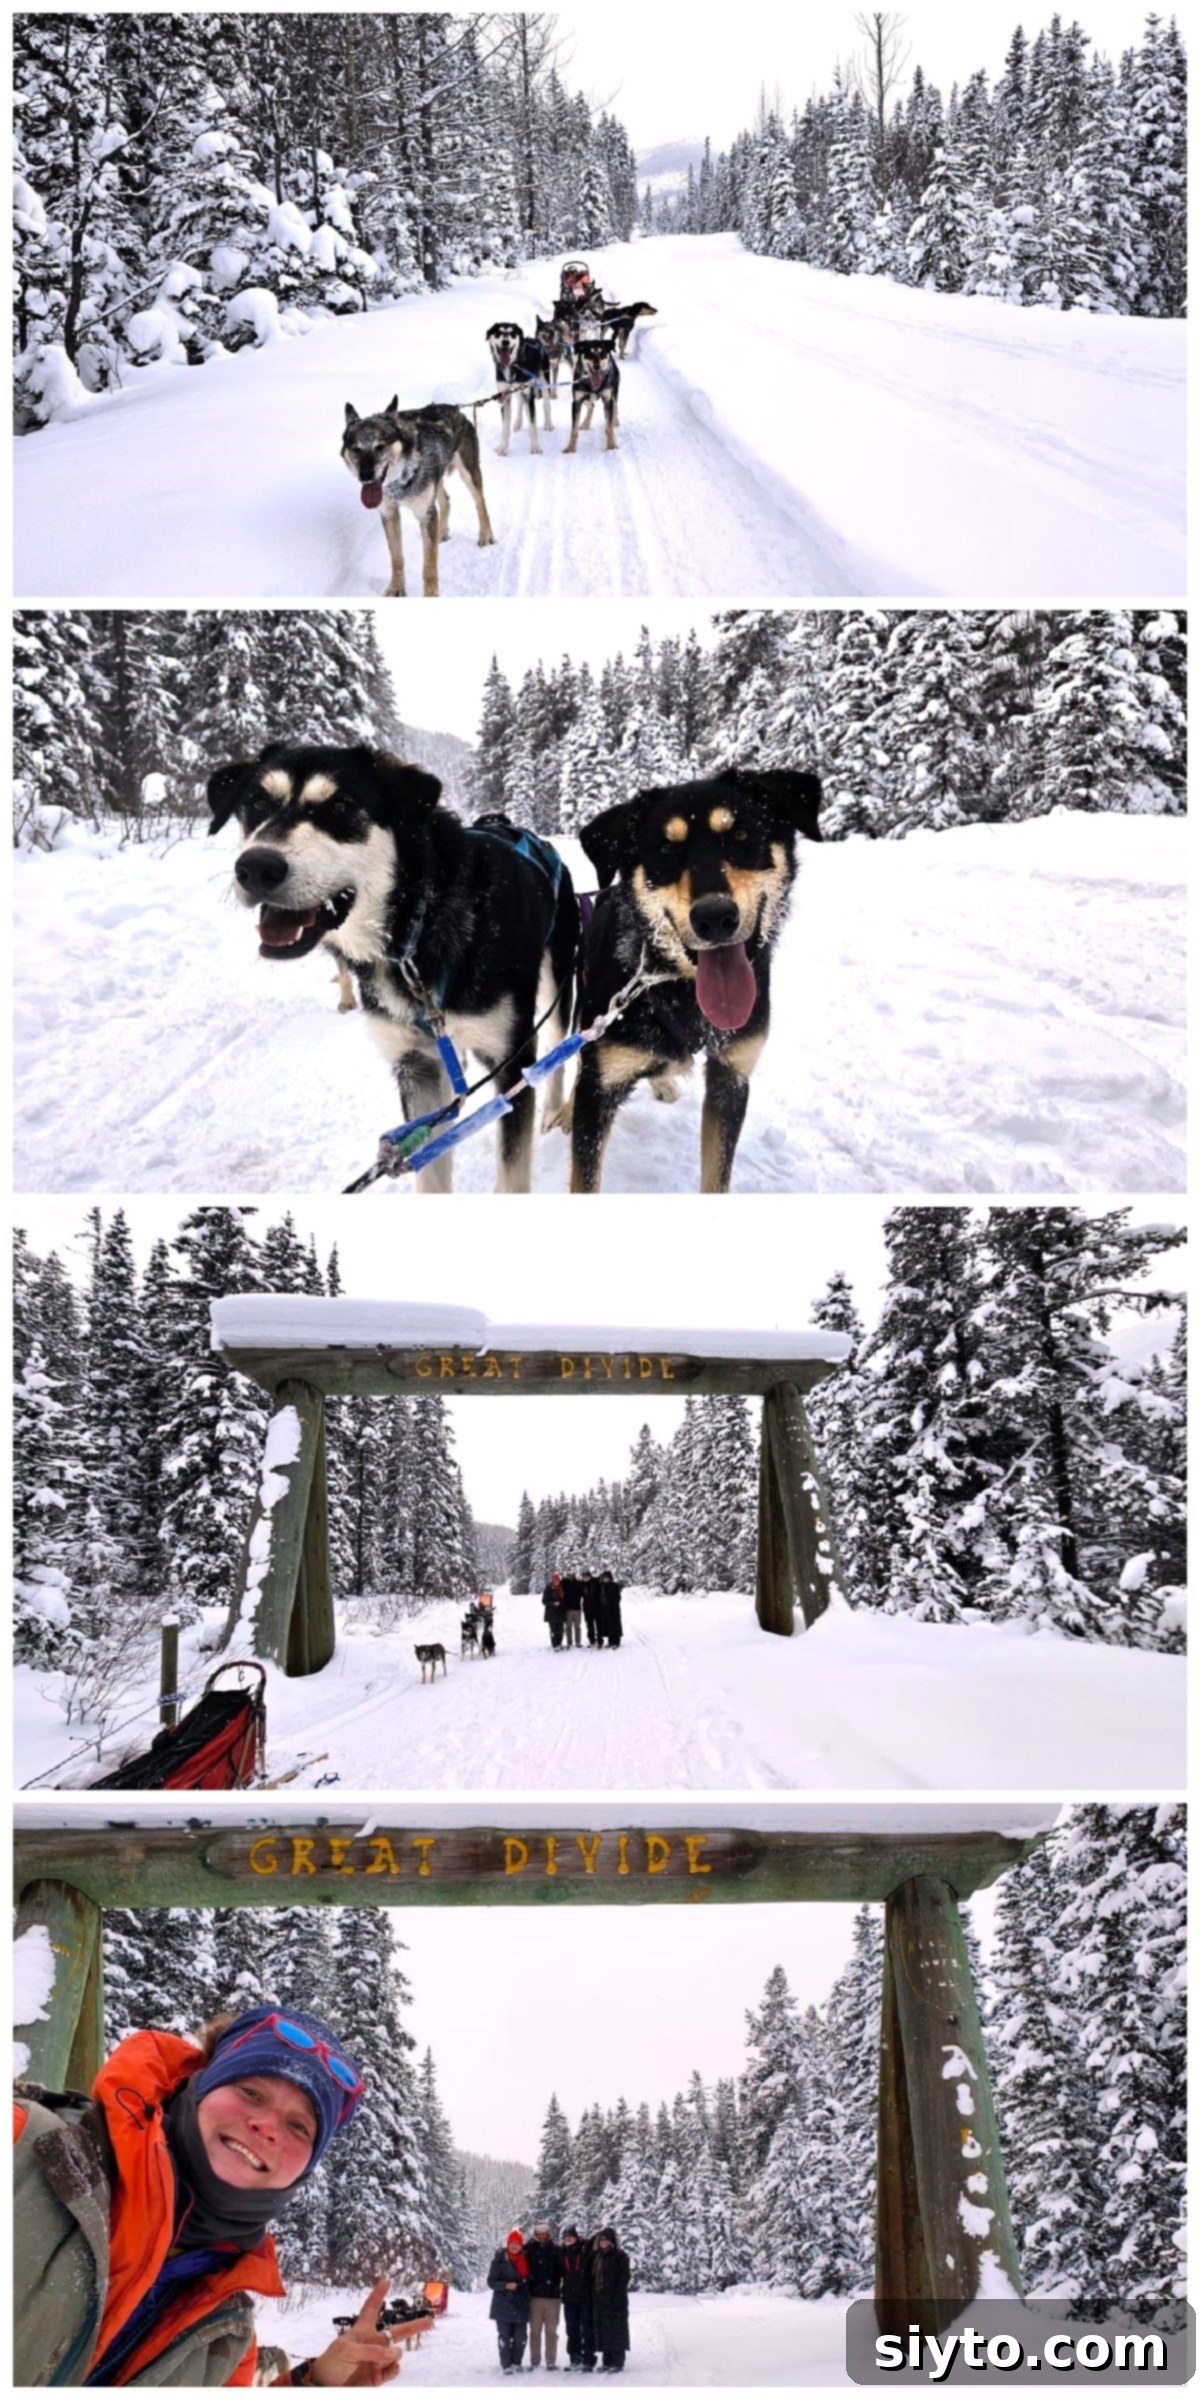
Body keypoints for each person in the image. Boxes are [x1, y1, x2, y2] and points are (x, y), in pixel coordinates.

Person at [14, 2001, 406, 2387]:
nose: (266, 2126)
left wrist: (314, 2385)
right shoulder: (22, 2149)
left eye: (299, 2126)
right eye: (252, 2092)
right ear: (200, 2087)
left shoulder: (226, 2331)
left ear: (303, 2171)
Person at [488, 2228, 531, 2374]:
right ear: (508, 2244)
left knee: (521, 2337)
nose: (514, 2246)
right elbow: (491, 2282)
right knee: (505, 2337)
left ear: (521, 2245)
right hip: (503, 2304)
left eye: (517, 2243)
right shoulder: (500, 2259)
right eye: (511, 2243)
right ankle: (506, 2365)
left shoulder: (526, 2258)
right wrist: (505, 2285)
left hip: (521, 2303)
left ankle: (516, 2362)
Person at [524, 2221, 563, 2369]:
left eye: (544, 2234)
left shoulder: (556, 2250)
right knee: (534, 2331)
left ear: (548, 2234)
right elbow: (514, 2253)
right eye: (538, 2234)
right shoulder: (529, 2249)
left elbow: (565, 2269)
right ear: (535, 2235)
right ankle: (535, 2360)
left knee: (551, 2332)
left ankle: (551, 2361)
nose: (541, 2236)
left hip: (553, 2297)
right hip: (534, 2297)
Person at [592, 2228, 630, 2374]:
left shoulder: (620, 2256)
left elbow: (624, 2277)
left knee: (617, 2331)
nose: (603, 2243)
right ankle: (607, 2361)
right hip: (600, 2299)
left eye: (606, 2240)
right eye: (601, 2240)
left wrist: (617, 2296)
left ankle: (618, 2362)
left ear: (612, 2241)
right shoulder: (598, 2256)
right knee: (604, 2331)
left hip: (616, 2299)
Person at [559, 2226, 595, 2374]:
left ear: (576, 2237)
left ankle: (588, 2359)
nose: (568, 2239)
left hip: (585, 2296)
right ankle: (575, 2358)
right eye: (565, 2237)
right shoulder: (561, 2253)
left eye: (571, 2237)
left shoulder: (585, 2250)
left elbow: (597, 2240)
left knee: (586, 2329)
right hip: (569, 2298)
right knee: (572, 2329)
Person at [597, 1572, 624, 1651]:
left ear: (609, 1578)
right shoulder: (602, 1586)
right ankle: (610, 1641)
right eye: (604, 1578)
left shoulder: (614, 1585)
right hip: (605, 1609)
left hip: (614, 1608)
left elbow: (618, 1597)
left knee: (615, 1624)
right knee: (608, 1625)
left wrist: (612, 1603)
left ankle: (617, 1641)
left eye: (606, 1578)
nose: (605, 1579)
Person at [542, 1573, 566, 1651]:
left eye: (557, 1580)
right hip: (551, 1613)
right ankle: (555, 1645)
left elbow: (565, 1599)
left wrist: (563, 1604)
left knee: (561, 1630)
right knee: (553, 1630)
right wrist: (553, 1603)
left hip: (561, 1612)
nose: (556, 1582)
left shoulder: (562, 1587)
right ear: (552, 1580)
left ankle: (559, 1643)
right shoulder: (548, 1588)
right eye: (555, 1580)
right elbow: (544, 1601)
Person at [561, 1572, 583, 1649]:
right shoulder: (564, 1583)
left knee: (577, 1627)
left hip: (577, 1608)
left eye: (572, 1574)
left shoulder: (578, 1583)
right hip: (568, 1609)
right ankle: (569, 1642)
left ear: (574, 1575)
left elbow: (583, 1593)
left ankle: (578, 1642)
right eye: (569, 1575)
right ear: (567, 1575)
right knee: (568, 1627)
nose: (570, 1576)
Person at [581, 1575, 602, 1648]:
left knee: (599, 1625)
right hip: (587, 1608)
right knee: (589, 1626)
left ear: (590, 1576)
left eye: (587, 1577)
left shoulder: (596, 1582)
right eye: (584, 1577)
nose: (585, 1578)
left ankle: (600, 1641)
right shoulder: (582, 1584)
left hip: (597, 1607)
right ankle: (592, 1640)